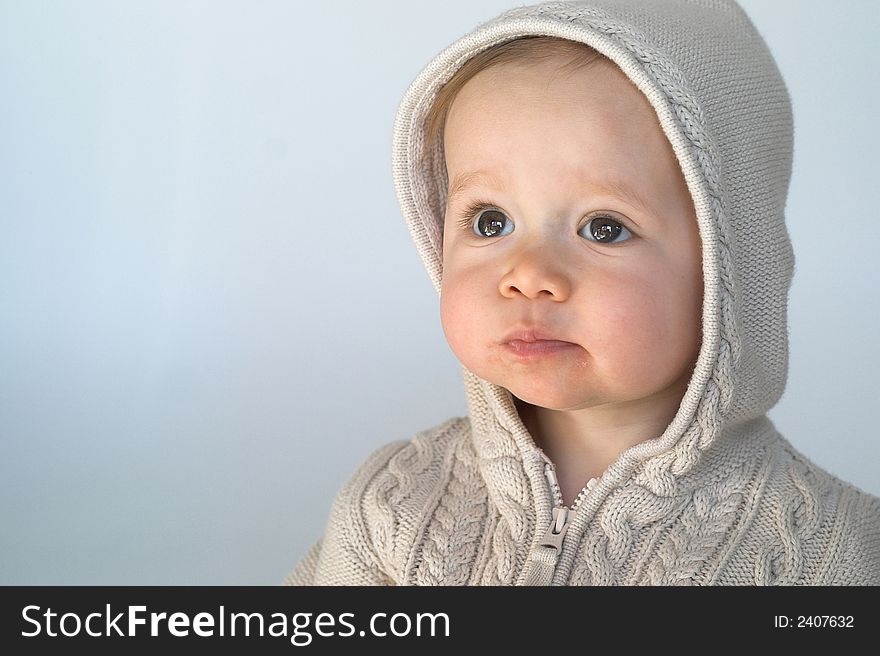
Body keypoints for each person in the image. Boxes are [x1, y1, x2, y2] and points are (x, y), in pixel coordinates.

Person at [285, 0, 880, 585]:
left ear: (731, 270)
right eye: (490, 221)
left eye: (604, 227)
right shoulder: (390, 507)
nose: (528, 273)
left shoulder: (834, 558)